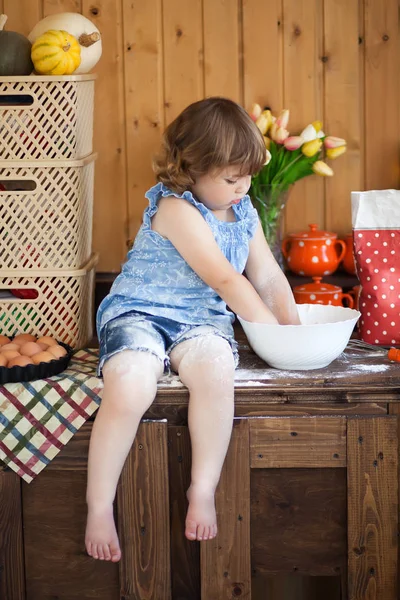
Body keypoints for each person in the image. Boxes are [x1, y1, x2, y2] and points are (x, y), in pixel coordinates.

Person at [85, 97, 300, 562]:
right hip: (141, 312)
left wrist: (294, 331)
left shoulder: (244, 213)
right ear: (191, 168)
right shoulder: (175, 209)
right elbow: (226, 278)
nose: (243, 187)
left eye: (248, 176)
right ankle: (99, 504)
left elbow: (267, 277)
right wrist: (270, 332)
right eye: (230, 178)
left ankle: (202, 487)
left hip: (200, 320)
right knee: (131, 383)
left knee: (217, 371)